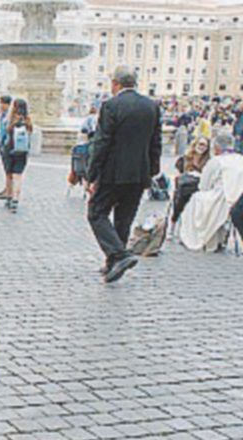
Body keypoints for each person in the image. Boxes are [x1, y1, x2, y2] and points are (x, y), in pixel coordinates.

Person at [85, 66, 162, 283]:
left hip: (113, 171)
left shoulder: (111, 105)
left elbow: (102, 142)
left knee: (96, 213)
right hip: (139, 173)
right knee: (124, 218)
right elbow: (155, 142)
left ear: (115, 83)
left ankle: (119, 255)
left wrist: (92, 174)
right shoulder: (151, 106)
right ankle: (113, 263)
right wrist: (152, 170)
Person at [177, 133, 243, 252]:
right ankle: (218, 237)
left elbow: (204, 186)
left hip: (223, 199)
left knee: (196, 200)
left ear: (217, 148)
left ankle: (202, 237)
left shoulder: (217, 161)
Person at [1, 98, 33, 213]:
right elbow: (30, 135)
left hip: (9, 149)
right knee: (18, 175)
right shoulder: (28, 120)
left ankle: (9, 196)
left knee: (9, 174)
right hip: (22, 151)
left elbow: (4, 134)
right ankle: (15, 199)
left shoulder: (9, 120)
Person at [0, 95, 14, 201]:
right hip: (3, 144)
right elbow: (1, 130)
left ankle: (10, 191)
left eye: (1, 103)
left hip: (7, 144)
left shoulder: (10, 115)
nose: (0, 106)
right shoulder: (3, 114)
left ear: (6, 104)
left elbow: (4, 130)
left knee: (9, 170)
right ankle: (7, 188)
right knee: (6, 169)